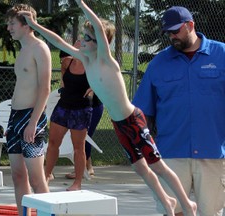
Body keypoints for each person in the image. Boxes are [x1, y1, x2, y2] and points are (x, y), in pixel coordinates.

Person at [19, 1, 197, 215]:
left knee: (157, 166)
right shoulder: (85, 59)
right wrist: (34, 25)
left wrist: (81, 3)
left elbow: (97, 25)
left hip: (133, 119)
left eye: (87, 38)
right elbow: (57, 41)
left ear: (101, 42)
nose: (81, 41)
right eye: (82, 37)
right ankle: (167, 202)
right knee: (140, 168)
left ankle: (187, 204)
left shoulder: (106, 60)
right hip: (118, 124)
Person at [133, 6, 225, 216]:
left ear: (190, 25)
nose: (172, 37)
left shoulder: (222, 55)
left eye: (176, 31)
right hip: (171, 153)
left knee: (211, 212)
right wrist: (142, 149)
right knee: (172, 210)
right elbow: (142, 112)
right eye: (168, 33)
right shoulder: (158, 64)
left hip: (213, 153)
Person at [5, 4, 51, 216]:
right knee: (17, 176)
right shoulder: (23, 50)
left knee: (36, 179)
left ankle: (46, 214)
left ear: (26, 24)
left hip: (32, 118)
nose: (9, 28)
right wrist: (11, 122)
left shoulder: (40, 48)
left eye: (12, 23)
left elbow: (45, 88)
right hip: (15, 118)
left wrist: (33, 123)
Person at [46, 39, 93, 191]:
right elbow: (63, 78)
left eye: (82, 43)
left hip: (81, 110)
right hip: (63, 107)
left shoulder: (92, 65)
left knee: (78, 147)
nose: (78, 44)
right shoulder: (67, 62)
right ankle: (46, 176)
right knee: (53, 143)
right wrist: (63, 85)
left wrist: (94, 87)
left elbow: (106, 78)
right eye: (76, 43)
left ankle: (77, 183)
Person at [59, 44, 104, 180]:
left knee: (85, 136)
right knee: (77, 137)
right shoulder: (68, 66)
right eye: (63, 60)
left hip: (93, 106)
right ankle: (84, 167)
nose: (65, 62)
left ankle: (87, 168)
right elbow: (64, 85)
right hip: (75, 106)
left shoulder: (89, 64)